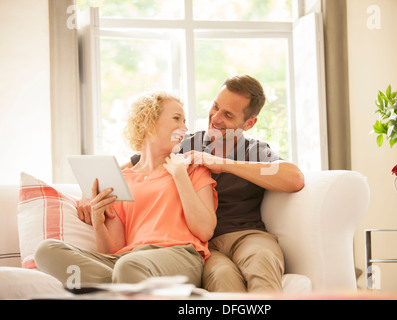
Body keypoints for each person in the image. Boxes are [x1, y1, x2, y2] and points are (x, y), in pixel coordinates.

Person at [79, 75, 305, 293]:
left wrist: (221, 163)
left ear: (249, 123)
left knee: (261, 265)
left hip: (247, 235)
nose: (215, 118)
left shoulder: (253, 150)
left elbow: (294, 178)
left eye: (227, 114)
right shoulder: (185, 143)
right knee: (222, 277)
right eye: (215, 107)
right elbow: (126, 170)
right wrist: (87, 195)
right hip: (206, 246)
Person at [35, 92, 218, 287]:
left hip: (179, 255)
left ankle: (113, 287)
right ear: (148, 122)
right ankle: (123, 286)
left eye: (184, 120)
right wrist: (98, 222)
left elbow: (205, 230)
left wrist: (179, 175)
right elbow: (113, 252)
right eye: (176, 119)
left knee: (128, 267)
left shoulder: (191, 169)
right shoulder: (121, 180)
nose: (185, 127)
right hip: (127, 260)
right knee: (46, 251)